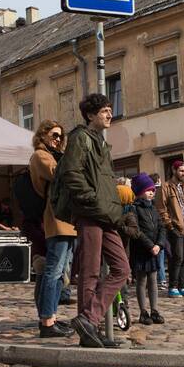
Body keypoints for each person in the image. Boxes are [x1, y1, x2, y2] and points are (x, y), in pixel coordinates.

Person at [52, 93, 131, 348]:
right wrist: (92, 200)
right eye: (104, 111)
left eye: (110, 110)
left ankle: (88, 319)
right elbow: (71, 173)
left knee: (122, 269)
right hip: (90, 212)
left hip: (106, 214)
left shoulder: (101, 143)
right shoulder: (80, 138)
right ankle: (90, 329)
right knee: (90, 271)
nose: (109, 115)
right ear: (90, 115)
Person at [29, 120, 75, 339]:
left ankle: (52, 317)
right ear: (43, 135)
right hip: (56, 218)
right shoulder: (40, 155)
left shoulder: (56, 154)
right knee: (53, 272)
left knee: (60, 275)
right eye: (54, 135)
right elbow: (58, 173)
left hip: (68, 220)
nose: (58, 139)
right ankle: (46, 320)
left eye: (60, 136)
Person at [156, 161, 184, 298]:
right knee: (177, 257)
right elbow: (161, 209)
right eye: (181, 171)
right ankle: (173, 286)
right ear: (174, 170)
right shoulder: (165, 187)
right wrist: (170, 225)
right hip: (176, 227)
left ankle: (182, 286)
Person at [129, 173, 167, 324]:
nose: (152, 192)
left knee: (153, 280)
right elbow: (136, 231)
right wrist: (150, 245)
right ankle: (143, 311)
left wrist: (159, 244)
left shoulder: (154, 209)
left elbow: (161, 228)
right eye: (148, 189)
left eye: (153, 189)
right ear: (139, 192)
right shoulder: (134, 209)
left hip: (154, 250)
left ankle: (154, 310)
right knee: (142, 280)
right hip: (142, 250)